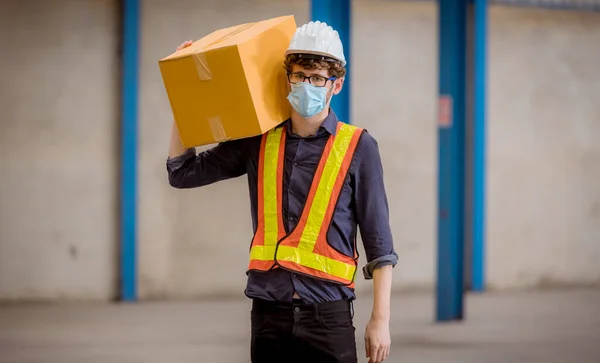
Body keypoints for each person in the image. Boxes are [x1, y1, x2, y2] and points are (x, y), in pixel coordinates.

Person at [166, 21, 398, 363]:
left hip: (328, 317)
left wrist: (380, 319)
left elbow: (379, 245)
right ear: (287, 76)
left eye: (318, 78)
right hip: (268, 316)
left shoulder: (358, 147)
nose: (307, 85)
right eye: (300, 75)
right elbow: (182, 173)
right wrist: (185, 93)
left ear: (337, 84)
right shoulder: (258, 141)